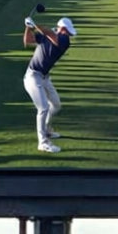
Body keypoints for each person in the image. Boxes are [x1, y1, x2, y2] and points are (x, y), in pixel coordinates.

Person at [23, 14, 76, 153]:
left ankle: (46, 130)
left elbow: (50, 33)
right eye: (68, 31)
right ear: (63, 28)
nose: (69, 34)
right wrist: (28, 28)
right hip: (33, 76)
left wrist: (34, 25)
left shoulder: (64, 40)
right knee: (43, 108)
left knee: (56, 105)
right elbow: (27, 41)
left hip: (45, 77)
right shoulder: (51, 36)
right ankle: (43, 142)